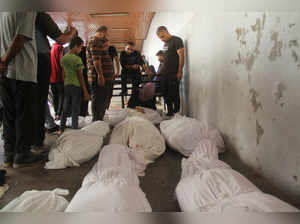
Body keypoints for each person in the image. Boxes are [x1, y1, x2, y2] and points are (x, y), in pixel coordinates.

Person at [0, 12, 42, 168]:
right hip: (22, 70)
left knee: (9, 115)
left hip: (5, 72)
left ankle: (9, 155)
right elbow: (21, 38)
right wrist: (5, 59)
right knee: (24, 114)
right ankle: (21, 154)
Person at [32, 12, 76, 152]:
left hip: (30, 66)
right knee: (41, 100)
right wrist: (72, 32)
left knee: (30, 101)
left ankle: (20, 146)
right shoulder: (39, 15)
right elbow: (61, 39)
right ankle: (37, 142)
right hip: (43, 66)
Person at [59, 37, 89, 135]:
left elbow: (63, 74)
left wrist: (65, 83)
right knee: (75, 109)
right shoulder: (77, 59)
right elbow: (80, 77)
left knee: (65, 107)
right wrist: (85, 91)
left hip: (67, 85)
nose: (81, 50)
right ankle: (74, 129)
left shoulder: (64, 58)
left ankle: (61, 129)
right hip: (76, 86)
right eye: (80, 47)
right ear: (75, 46)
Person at [86, 26, 114, 121]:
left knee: (102, 101)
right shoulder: (96, 42)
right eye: (106, 35)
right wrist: (100, 75)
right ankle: (97, 123)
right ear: (103, 33)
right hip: (99, 78)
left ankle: (99, 122)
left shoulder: (97, 42)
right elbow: (96, 61)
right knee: (99, 102)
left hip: (104, 77)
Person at [156, 26, 184, 116]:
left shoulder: (177, 40)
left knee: (174, 94)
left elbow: (181, 56)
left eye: (162, 36)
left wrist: (180, 71)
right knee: (166, 93)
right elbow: (165, 60)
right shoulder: (165, 45)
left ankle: (176, 114)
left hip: (173, 73)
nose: (162, 39)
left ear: (167, 32)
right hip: (165, 74)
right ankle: (170, 112)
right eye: (160, 38)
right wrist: (160, 71)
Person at [50, 42, 64, 120]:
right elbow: (61, 62)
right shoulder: (60, 47)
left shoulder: (52, 47)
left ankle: (56, 113)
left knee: (55, 96)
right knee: (61, 95)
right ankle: (59, 114)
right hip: (59, 76)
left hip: (51, 77)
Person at [107, 45, 120, 110]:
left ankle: (107, 109)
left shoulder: (111, 48)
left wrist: (118, 71)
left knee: (109, 93)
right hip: (102, 73)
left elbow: (116, 59)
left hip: (110, 73)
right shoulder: (98, 47)